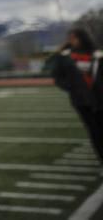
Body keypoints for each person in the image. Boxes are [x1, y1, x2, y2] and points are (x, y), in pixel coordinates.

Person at [48, 27, 103, 164]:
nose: (71, 40)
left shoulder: (97, 54)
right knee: (95, 132)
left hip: (100, 99)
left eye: (74, 37)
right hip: (82, 101)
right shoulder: (65, 56)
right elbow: (56, 75)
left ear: (82, 37)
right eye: (69, 38)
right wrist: (71, 86)